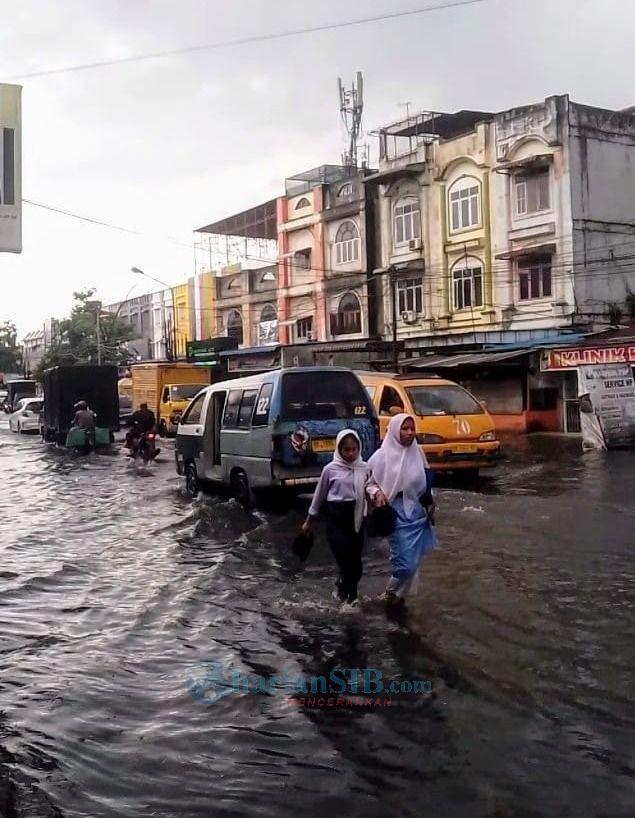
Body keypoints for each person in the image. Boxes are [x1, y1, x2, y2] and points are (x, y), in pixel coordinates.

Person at [367, 413, 437, 606]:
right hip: (395, 512)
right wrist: (377, 493)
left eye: (412, 428)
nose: (410, 433)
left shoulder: (418, 453)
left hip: (417, 513)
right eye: (405, 428)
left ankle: (397, 598)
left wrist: (431, 502)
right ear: (395, 430)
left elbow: (427, 480)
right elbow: (368, 482)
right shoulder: (381, 456)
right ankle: (391, 590)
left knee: (414, 560)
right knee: (406, 563)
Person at [302, 429, 369, 605]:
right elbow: (319, 496)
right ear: (339, 450)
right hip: (336, 519)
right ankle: (349, 599)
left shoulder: (364, 468)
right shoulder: (330, 470)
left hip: (356, 519)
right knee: (345, 559)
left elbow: (370, 488)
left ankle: (347, 592)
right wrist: (309, 521)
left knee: (356, 565)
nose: (351, 453)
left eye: (354, 449)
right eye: (347, 450)